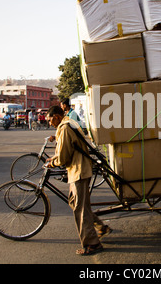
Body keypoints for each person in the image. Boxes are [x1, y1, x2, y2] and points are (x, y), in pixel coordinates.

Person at [45, 105, 111, 256]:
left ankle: (92, 244)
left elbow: (63, 157)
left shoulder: (65, 128)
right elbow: (67, 149)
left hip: (79, 171)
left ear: (56, 116)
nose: (49, 123)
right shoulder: (69, 123)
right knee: (76, 203)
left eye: (49, 120)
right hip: (79, 169)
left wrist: (53, 162)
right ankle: (100, 227)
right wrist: (54, 158)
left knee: (80, 208)